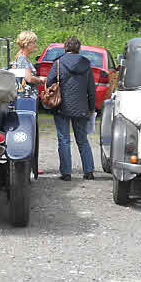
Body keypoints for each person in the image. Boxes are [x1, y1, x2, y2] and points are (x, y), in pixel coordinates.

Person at [47, 36, 96, 181]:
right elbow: (91, 90)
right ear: (79, 48)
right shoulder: (86, 65)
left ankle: (66, 173)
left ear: (65, 47)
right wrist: (91, 109)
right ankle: (88, 171)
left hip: (61, 106)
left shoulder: (58, 63)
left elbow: (50, 81)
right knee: (82, 140)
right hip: (81, 107)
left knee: (64, 140)